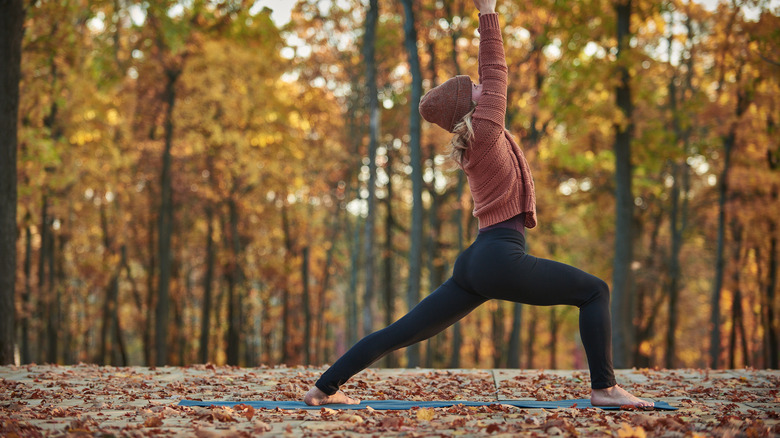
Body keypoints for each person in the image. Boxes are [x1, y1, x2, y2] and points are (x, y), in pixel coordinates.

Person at [304, 0, 653, 409]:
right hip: (497, 258)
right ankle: (605, 389)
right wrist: (487, 11)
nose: (481, 87)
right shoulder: (486, 130)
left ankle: (322, 390)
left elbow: (491, 80)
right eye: (472, 89)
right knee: (595, 291)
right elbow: (496, 70)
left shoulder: (479, 140)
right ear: (469, 106)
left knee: (403, 331)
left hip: (478, 261)